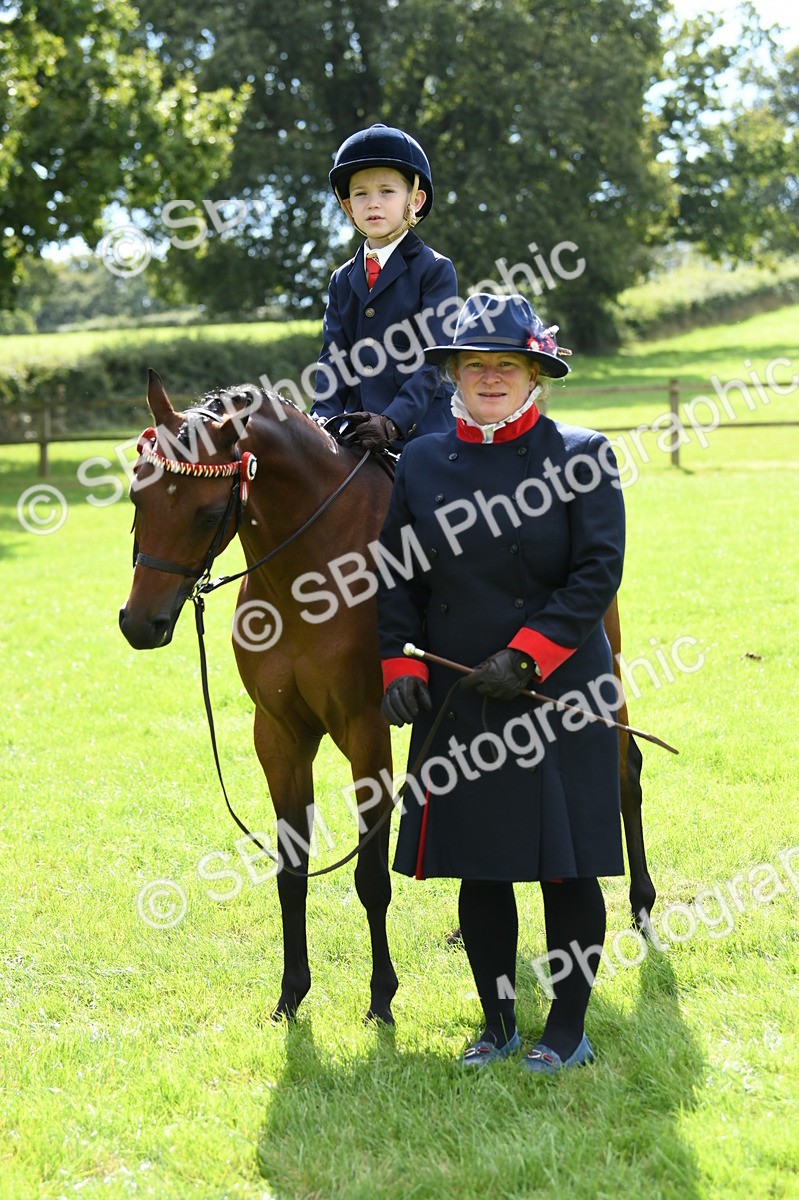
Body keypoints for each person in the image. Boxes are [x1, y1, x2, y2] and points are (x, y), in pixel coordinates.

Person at [376, 293, 626, 1073]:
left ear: (534, 375)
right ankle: (497, 1022)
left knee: (566, 866)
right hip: (460, 695)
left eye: (506, 365)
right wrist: (400, 662)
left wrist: (526, 655)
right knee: (481, 864)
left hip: (555, 689)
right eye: (474, 365)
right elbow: (395, 574)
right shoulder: (417, 459)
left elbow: (595, 574)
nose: (489, 378)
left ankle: (567, 1028)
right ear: (453, 374)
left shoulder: (581, 453)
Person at [310, 123, 458, 452]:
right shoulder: (341, 279)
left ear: (416, 200)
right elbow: (333, 359)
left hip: (422, 432)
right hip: (358, 431)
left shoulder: (435, 270)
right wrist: (321, 417)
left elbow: (433, 361)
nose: (373, 203)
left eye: (387, 191)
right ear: (348, 206)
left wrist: (392, 420)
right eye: (361, 194)